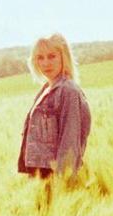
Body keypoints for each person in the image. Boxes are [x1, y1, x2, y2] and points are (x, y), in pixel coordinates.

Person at [17, 33, 91, 178]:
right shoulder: (45, 89)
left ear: (64, 57)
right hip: (38, 176)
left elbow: (70, 141)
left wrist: (62, 182)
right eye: (40, 57)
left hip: (53, 177)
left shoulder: (68, 91)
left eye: (52, 56)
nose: (45, 63)